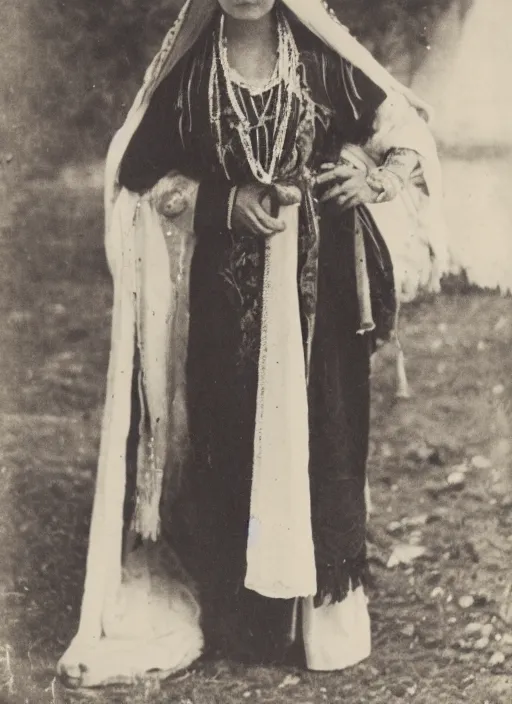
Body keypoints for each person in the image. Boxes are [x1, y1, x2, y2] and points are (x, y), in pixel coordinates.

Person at [58, 0, 444, 688]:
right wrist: (221, 204)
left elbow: (404, 127)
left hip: (319, 304)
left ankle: (322, 622)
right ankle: (248, 616)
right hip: (225, 304)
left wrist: (372, 174)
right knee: (231, 436)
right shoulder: (189, 81)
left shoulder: (324, 64)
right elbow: (138, 178)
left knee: (323, 434)